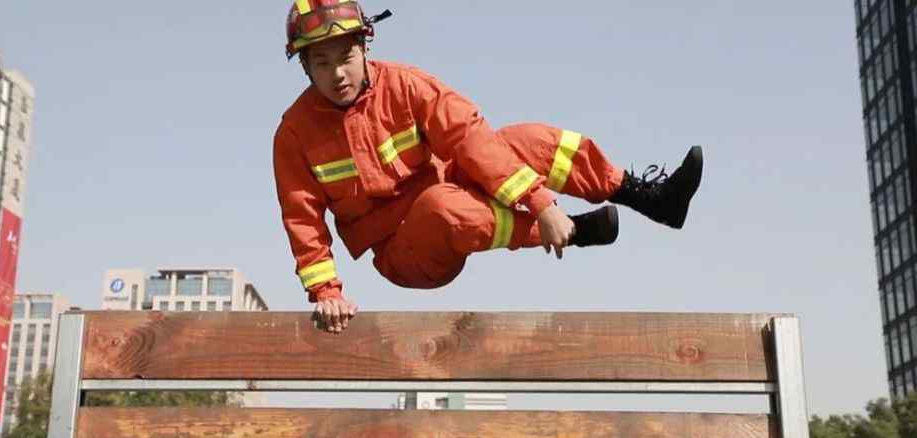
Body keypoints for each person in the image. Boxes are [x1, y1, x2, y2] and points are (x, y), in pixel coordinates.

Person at [273, 0, 703, 333]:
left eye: (345, 57)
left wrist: (541, 201)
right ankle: (572, 232)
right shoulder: (295, 133)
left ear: (365, 48)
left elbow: (469, 138)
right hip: (406, 253)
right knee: (443, 206)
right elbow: (302, 218)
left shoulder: (407, 85)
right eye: (322, 64)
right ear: (306, 67)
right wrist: (326, 293)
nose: (338, 75)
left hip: (451, 191)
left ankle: (650, 199)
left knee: (528, 140)